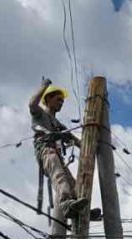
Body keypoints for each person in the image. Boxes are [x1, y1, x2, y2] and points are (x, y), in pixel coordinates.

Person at [29, 77, 86, 219]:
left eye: (62, 101)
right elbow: (32, 104)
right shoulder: (41, 114)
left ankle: (81, 211)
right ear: (48, 99)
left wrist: (93, 145)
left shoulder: (59, 125)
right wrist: (44, 87)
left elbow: (75, 140)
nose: (61, 103)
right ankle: (66, 203)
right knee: (59, 176)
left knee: (72, 183)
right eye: (58, 99)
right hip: (46, 152)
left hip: (57, 155)